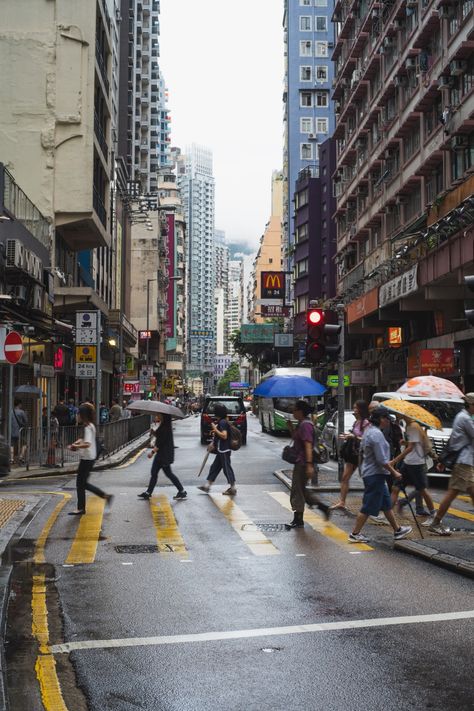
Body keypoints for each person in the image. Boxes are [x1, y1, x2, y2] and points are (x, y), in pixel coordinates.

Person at [349, 407, 412, 543]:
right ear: (381, 419)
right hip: (374, 474)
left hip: (375, 473)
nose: (389, 421)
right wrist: (394, 472)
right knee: (367, 506)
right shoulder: (376, 434)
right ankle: (355, 533)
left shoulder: (370, 431)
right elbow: (381, 460)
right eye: (387, 418)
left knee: (386, 504)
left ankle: (397, 530)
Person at [423, 392, 474, 535]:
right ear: (470, 404)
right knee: (453, 493)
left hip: (464, 461)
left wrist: (444, 461)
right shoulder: (465, 418)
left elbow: (453, 441)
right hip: (464, 462)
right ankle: (435, 522)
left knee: (457, 493)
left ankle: (436, 522)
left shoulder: (463, 417)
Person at [284, 400, 330, 528]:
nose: (292, 412)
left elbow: (308, 445)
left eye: (294, 410)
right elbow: (297, 440)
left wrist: (309, 465)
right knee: (302, 490)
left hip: (303, 463)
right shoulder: (301, 424)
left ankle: (298, 519)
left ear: (300, 411)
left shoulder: (306, 425)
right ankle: (323, 507)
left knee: (297, 490)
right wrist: (291, 428)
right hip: (302, 462)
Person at [67, 405, 113, 515]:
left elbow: (87, 443)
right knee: (84, 484)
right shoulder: (90, 426)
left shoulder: (88, 427)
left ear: (82, 415)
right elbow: (85, 439)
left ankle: (81, 508)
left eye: (78, 414)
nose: (76, 416)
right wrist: (77, 442)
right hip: (89, 458)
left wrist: (75, 446)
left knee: (80, 484)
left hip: (87, 459)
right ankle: (105, 496)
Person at [390, 416, 436, 519]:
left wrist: (394, 460)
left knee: (422, 490)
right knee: (396, 488)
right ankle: (388, 514)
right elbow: (413, 444)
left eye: (399, 413)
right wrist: (405, 442)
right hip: (408, 462)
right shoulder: (410, 426)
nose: (397, 414)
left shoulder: (413, 427)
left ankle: (434, 516)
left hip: (416, 464)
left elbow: (411, 448)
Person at [330, 400, 370, 511]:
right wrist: (349, 435)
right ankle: (342, 502)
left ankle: (370, 504)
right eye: (353, 407)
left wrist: (353, 437)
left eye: (356, 408)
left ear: (361, 410)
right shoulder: (356, 422)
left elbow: (367, 439)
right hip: (353, 455)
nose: (354, 410)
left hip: (362, 455)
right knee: (345, 478)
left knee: (367, 479)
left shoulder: (366, 423)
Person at [138, 413, 186, 500]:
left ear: (164, 417)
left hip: (164, 455)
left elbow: (160, 443)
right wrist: (154, 433)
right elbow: (160, 437)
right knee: (154, 473)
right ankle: (148, 492)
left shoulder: (165, 427)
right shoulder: (164, 425)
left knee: (167, 474)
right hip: (162, 455)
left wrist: (152, 452)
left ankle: (181, 491)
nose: (157, 416)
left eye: (159, 415)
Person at [198, 404, 237, 496]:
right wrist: (213, 443)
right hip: (221, 449)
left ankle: (233, 488)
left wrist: (215, 428)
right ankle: (207, 486)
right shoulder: (222, 421)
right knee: (214, 467)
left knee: (227, 469)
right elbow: (219, 437)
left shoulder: (223, 422)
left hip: (224, 450)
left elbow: (224, 436)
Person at [11, 399, 28, 465]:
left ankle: (11, 459)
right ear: (19, 404)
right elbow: (26, 421)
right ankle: (21, 457)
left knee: (11, 445)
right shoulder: (21, 412)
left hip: (12, 431)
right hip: (20, 432)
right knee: (25, 444)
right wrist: (26, 414)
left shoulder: (11, 411)